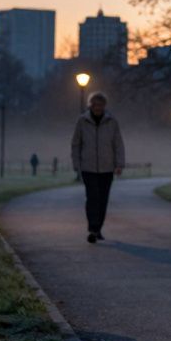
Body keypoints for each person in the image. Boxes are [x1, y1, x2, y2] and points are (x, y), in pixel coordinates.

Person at [70, 92, 125, 243]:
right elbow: (76, 144)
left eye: (100, 105)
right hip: (88, 167)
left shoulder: (112, 121)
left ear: (104, 106)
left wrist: (119, 164)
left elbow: (118, 143)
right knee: (92, 198)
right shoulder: (82, 121)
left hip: (107, 168)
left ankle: (98, 228)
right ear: (90, 105)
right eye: (94, 104)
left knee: (103, 200)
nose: (97, 107)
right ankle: (92, 228)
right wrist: (76, 164)